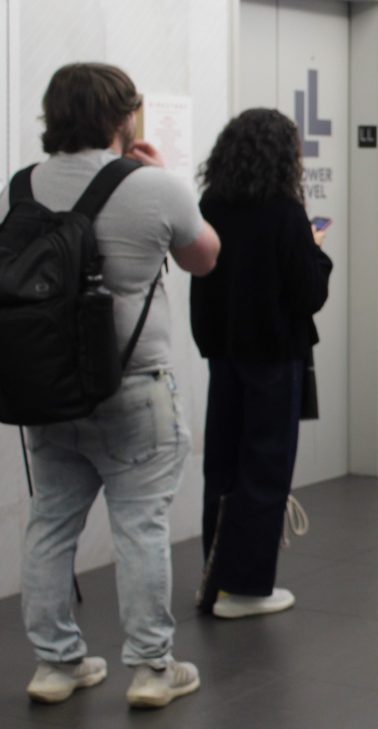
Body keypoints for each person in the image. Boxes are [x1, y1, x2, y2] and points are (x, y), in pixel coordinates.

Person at [1, 63, 220, 708]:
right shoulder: (154, 186)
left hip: (49, 389)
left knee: (49, 526)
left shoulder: (22, 187)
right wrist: (161, 177)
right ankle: (152, 669)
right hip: (134, 389)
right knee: (141, 529)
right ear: (124, 118)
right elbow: (204, 257)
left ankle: (56, 664)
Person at [191, 109, 333, 618]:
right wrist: (316, 251)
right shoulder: (285, 212)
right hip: (274, 356)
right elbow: (309, 294)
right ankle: (248, 589)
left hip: (223, 354)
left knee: (223, 467)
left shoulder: (210, 204)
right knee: (266, 469)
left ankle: (214, 580)